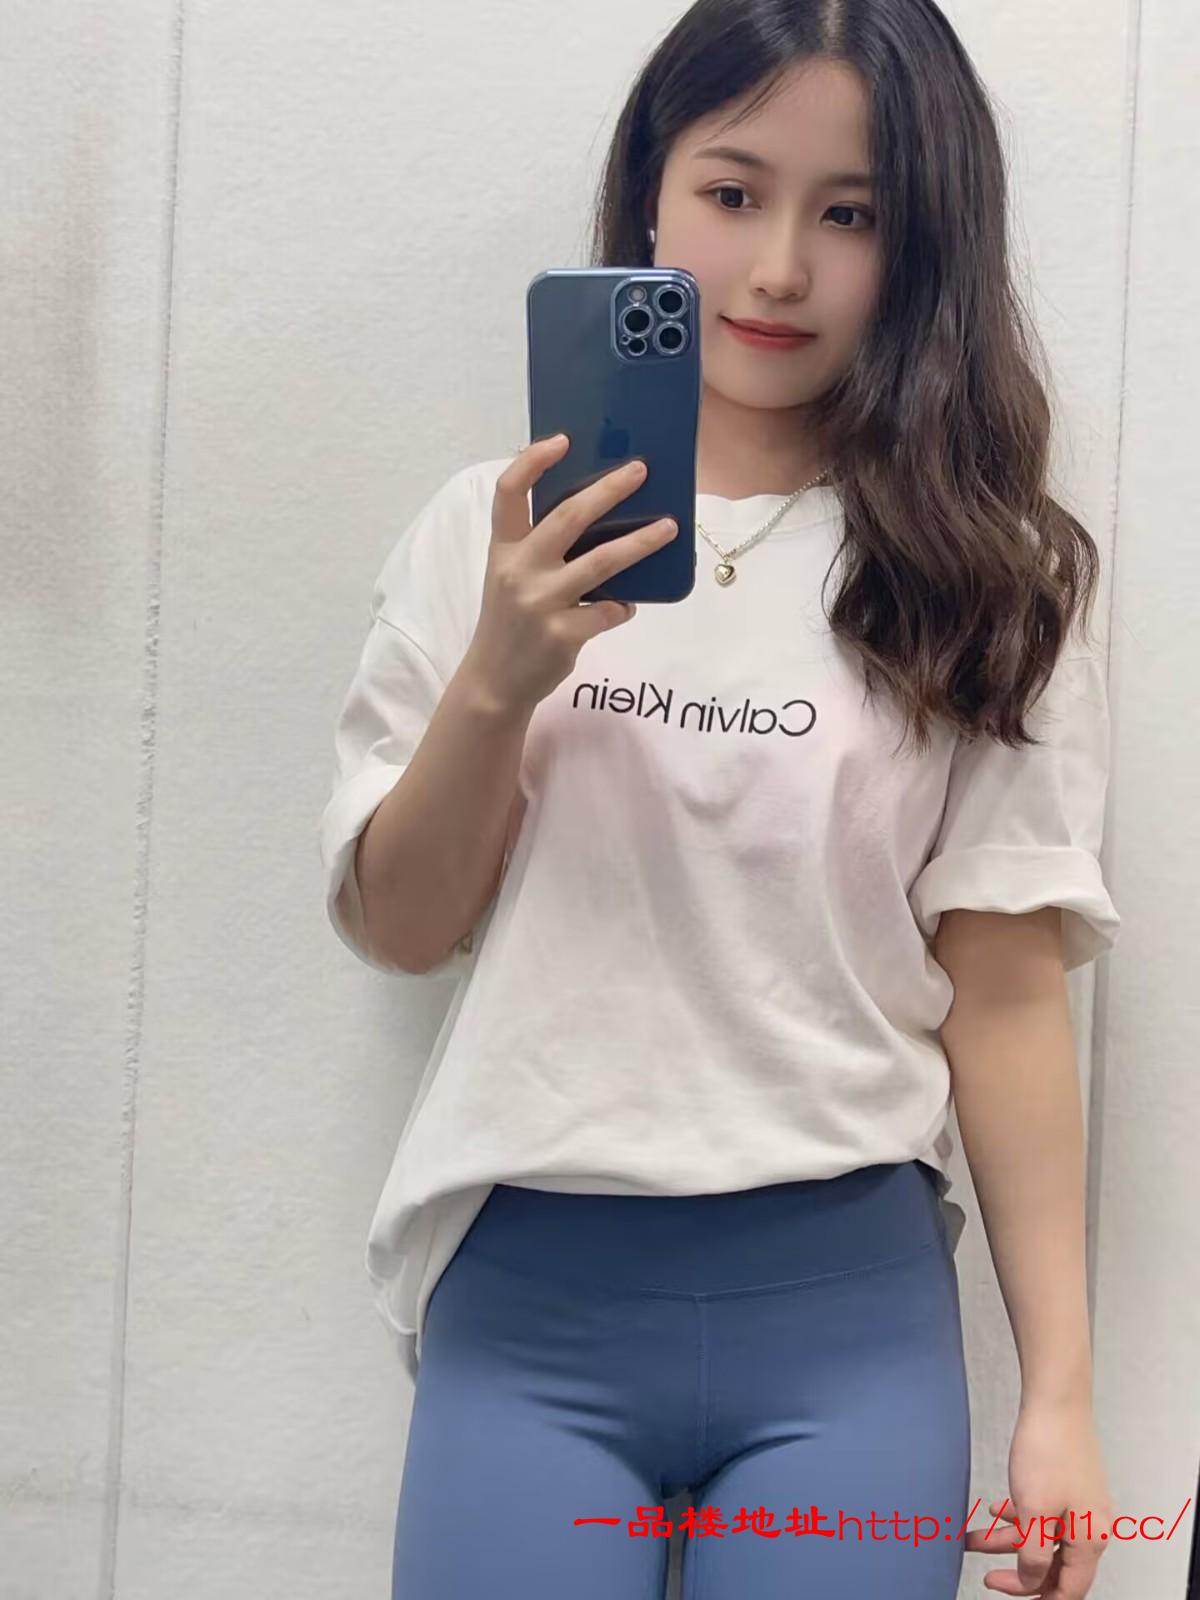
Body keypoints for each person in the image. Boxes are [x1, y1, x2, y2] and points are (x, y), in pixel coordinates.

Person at [318, 3, 1121, 1596]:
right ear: (648, 194)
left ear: (926, 244)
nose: (777, 269)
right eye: (733, 192)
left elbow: (1008, 996)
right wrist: (499, 679)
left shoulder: (987, 574)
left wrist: (1062, 1399)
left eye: (852, 215)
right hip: (531, 1309)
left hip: (848, 1325)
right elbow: (402, 930)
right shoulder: (492, 532)